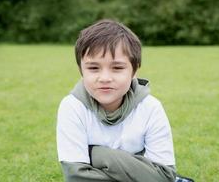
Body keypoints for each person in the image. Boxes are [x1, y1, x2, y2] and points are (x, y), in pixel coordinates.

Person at [56, 19, 176, 182]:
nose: (105, 78)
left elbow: (164, 177)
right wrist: (140, 170)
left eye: (117, 68)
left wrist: (97, 154)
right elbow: (76, 177)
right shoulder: (72, 107)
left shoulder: (150, 107)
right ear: (81, 70)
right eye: (93, 68)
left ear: (134, 71)